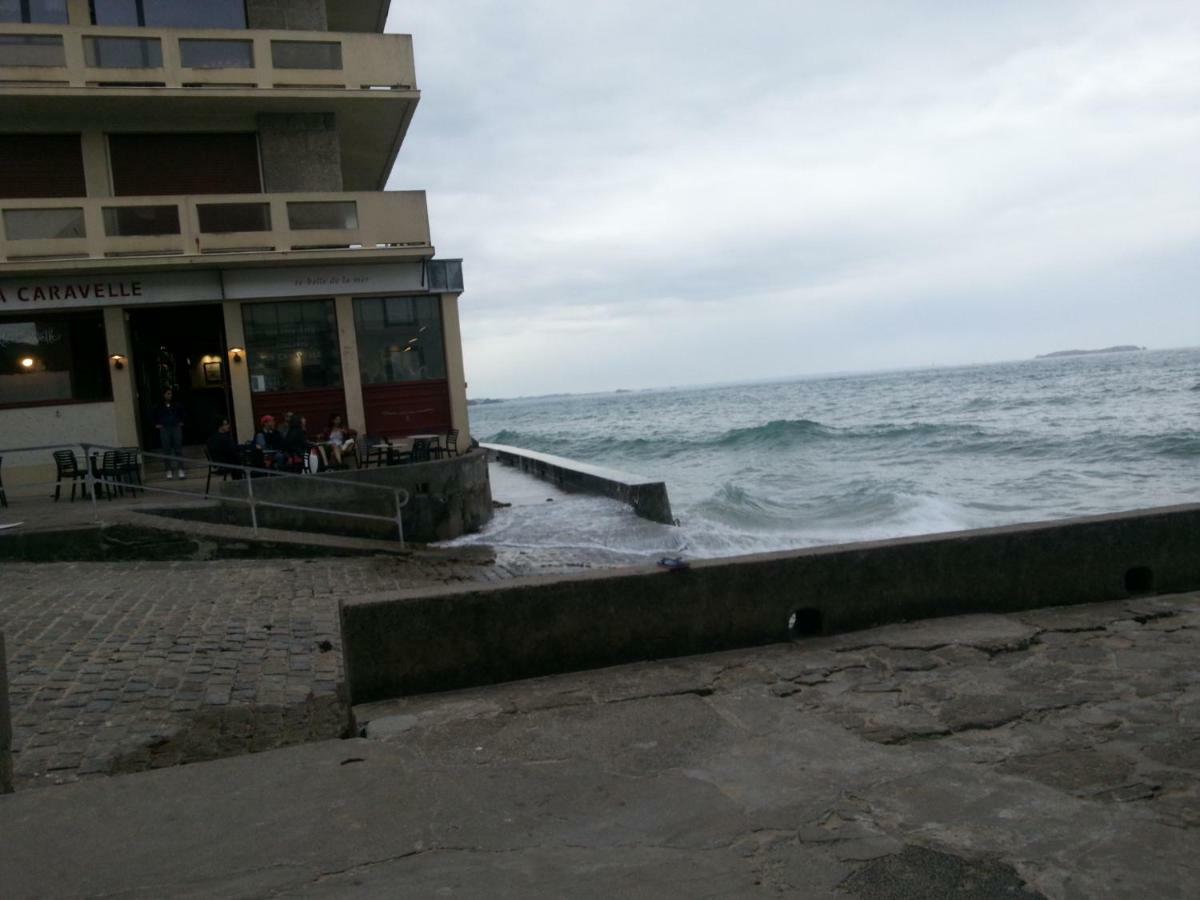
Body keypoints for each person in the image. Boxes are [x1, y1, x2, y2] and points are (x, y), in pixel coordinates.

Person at [152, 387, 186, 479]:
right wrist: (157, 424)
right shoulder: (159, 405)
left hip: (175, 427)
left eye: (170, 393)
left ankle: (181, 469)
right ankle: (168, 470)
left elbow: (182, 413)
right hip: (165, 428)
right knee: (166, 449)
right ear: (163, 394)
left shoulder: (176, 404)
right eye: (168, 393)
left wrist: (181, 422)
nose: (170, 395)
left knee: (178, 448)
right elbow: (154, 415)